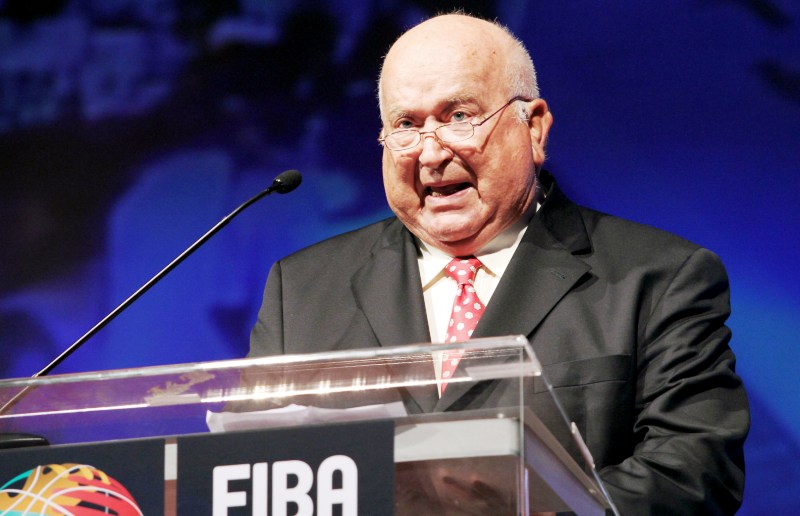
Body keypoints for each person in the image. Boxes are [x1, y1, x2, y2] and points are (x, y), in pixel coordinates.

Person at [249, 13, 749, 514]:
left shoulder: (659, 278)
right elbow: (253, 471)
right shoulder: (301, 290)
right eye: (406, 125)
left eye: (458, 117)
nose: (430, 154)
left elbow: (694, 471)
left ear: (534, 128)